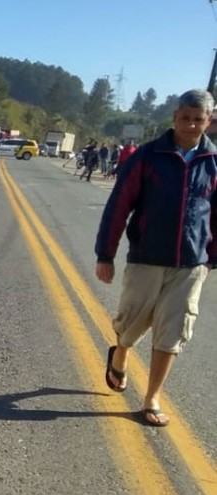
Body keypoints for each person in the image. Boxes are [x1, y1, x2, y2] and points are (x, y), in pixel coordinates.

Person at [94, 88, 217, 427]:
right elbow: (120, 204)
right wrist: (106, 253)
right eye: (185, 118)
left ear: (208, 121)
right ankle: (120, 353)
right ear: (174, 117)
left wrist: (211, 259)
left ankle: (151, 398)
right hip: (146, 257)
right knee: (131, 323)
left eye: (198, 120)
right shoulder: (149, 155)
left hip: (191, 264)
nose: (191, 126)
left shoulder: (213, 160)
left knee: (173, 331)